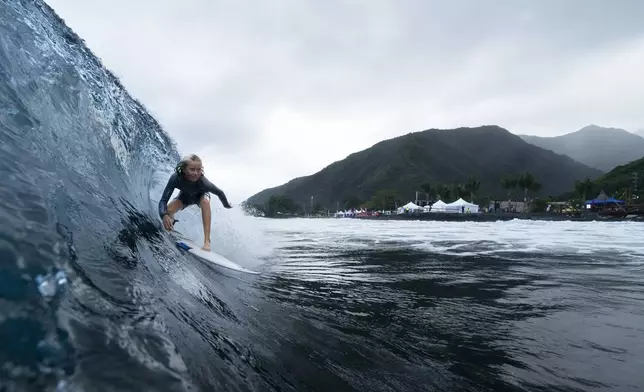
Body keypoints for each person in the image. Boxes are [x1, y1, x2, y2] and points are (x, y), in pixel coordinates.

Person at [158, 154, 232, 251]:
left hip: (201, 196)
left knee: (205, 202)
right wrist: (164, 215)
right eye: (192, 169)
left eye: (199, 169)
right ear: (183, 169)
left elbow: (220, 192)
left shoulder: (204, 182)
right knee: (167, 211)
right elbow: (163, 200)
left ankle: (207, 241)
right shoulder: (176, 178)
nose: (196, 173)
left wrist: (226, 205)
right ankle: (171, 223)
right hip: (185, 197)